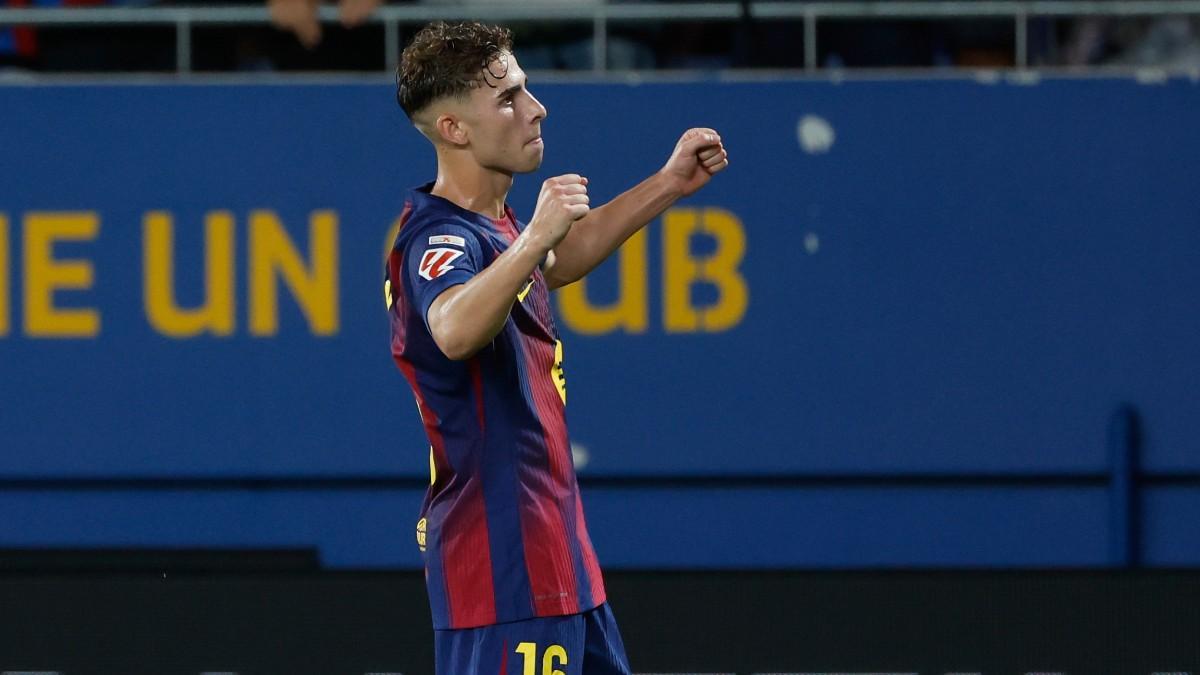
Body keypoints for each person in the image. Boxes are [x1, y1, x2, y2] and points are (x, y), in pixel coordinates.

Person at [385, 20, 728, 675]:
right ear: (455, 129)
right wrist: (534, 235)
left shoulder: (494, 227)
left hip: (558, 558)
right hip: (503, 571)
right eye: (509, 97)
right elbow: (454, 327)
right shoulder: (437, 240)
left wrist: (667, 184)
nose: (536, 107)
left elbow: (558, 259)